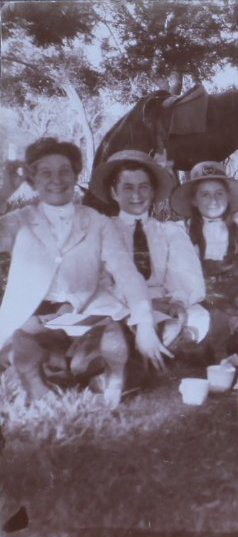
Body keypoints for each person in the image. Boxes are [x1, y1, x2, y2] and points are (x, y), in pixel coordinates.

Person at [0, 138, 169, 406]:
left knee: (110, 340)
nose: (56, 180)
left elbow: (126, 273)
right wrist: (5, 192)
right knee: (23, 344)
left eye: (64, 171)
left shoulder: (96, 221)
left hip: (83, 314)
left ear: (76, 174)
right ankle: (45, 377)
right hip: (33, 318)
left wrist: (145, 323)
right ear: (31, 180)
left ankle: (91, 374)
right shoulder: (19, 221)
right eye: (45, 172)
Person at [88, 150, 209, 353]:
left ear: (153, 192)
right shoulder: (102, 231)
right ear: (114, 193)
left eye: (143, 187)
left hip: (164, 303)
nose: (136, 195)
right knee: (105, 315)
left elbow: (184, 276)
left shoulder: (169, 232)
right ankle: (158, 344)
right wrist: (144, 304)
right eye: (128, 187)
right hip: (121, 304)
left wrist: (177, 301)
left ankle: (164, 344)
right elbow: (100, 282)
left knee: (198, 315)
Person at [169, 161, 238, 361]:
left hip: (236, 303)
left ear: (228, 196)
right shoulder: (181, 232)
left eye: (219, 193)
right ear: (194, 200)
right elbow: (179, 279)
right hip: (199, 303)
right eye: (205, 194)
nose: (213, 200)